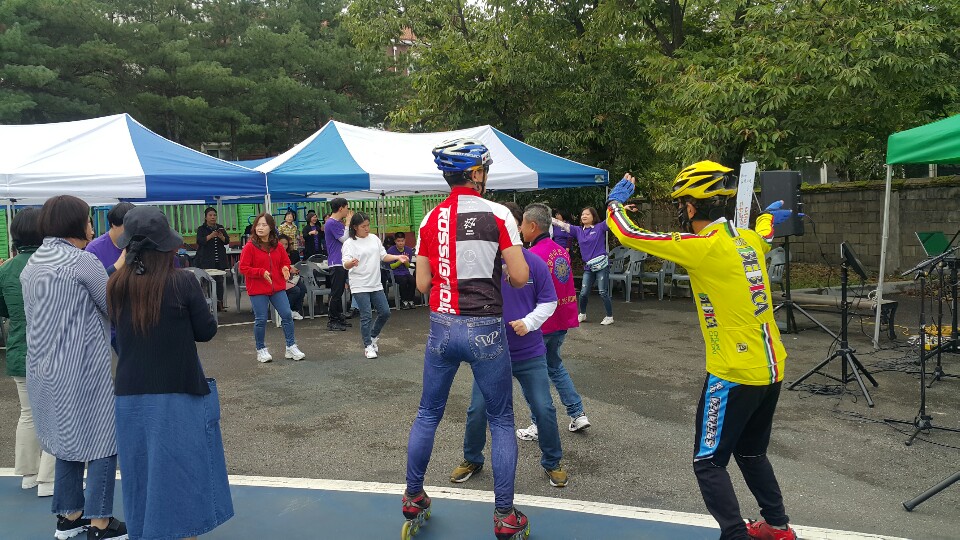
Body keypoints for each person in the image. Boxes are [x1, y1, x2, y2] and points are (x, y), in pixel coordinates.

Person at [605, 162, 797, 540]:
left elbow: (630, 234)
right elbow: (764, 235)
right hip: (771, 366)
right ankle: (778, 526)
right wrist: (768, 219)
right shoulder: (746, 240)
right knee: (751, 452)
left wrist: (614, 204)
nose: (680, 212)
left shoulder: (702, 246)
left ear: (691, 207)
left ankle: (735, 534)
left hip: (732, 371)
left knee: (708, 462)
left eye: (681, 205)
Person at [402, 138, 530, 540]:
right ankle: (505, 515)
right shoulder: (499, 214)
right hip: (485, 327)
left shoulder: (429, 219)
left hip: (442, 325)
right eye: (484, 170)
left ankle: (413, 496)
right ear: (475, 174)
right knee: (502, 420)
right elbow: (520, 276)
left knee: (428, 413)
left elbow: (422, 284)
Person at [108, 206, 233, 540]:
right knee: (183, 476)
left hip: (129, 394)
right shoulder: (182, 281)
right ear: (166, 246)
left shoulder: (116, 284)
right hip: (178, 391)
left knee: (140, 477)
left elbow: (117, 329)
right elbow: (206, 331)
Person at [20, 195, 128, 540]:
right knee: (102, 441)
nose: (91, 226)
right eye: (87, 219)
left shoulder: (33, 262)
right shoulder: (83, 261)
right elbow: (111, 305)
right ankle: (100, 522)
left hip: (43, 369)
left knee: (65, 441)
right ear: (75, 224)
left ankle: (69, 516)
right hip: (82, 368)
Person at [451, 202, 567, 489]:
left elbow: (549, 301)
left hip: (529, 353)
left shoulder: (533, 263)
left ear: (517, 229)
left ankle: (552, 462)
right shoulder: (481, 265)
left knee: (544, 408)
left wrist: (528, 322)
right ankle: (472, 458)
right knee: (477, 410)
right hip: (489, 354)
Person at [515, 203, 592, 439]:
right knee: (555, 366)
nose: (520, 228)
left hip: (540, 324)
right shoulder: (560, 251)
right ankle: (578, 413)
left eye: (522, 224)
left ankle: (538, 423)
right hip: (561, 319)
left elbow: (527, 293)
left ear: (532, 226)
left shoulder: (532, 256)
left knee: (533, 375)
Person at [0, 209, 56, 498]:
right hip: (50, 350)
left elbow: (4, 310)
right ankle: (49, 479)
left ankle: (28, 474)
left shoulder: (6, 269)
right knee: (55, 414)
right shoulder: (50, 264)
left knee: (28, 414)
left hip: (19, 349)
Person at [239, 212, 306, 363]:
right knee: (261, 319)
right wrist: (260, 272)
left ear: (271, 227)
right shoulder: (249, 247)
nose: (260, 228)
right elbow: (243, 268)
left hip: (277, 287)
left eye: (264, 225)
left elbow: (285, 261)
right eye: (258, 225)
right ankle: (261, 349)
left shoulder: (278, 246)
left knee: (287, 315)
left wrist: (285, 268)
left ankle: (291, 346)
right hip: (258, 289)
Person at [342, 213, 408, 359]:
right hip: (359, 284)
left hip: (375, 283)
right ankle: (367, 346)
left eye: (368, 225)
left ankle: (372, 337)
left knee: (385, 312)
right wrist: (351, 263)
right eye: (363, 226)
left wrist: (398, 257)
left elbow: (383, 256)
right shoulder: (349, 243)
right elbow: (345, 264)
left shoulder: (374, 239)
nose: (367, 229)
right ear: (355, 227)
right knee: (366, 315)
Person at [553, 206, 613, 325]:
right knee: (583, 293)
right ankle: (582, 314)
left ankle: (609, 316)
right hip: (588, 267)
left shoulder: (600, 227)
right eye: (582, 214)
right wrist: (541, 215)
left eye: (587, 214)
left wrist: (623, 209)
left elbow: (613, 219)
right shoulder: (578, 230)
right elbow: (560, 224)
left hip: (602, 266)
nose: (584, 216)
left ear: (593, 216)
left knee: (602, 291)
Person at [325, 198, 354, 331]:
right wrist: (347, 223)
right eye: (347, 207)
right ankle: (332, 320)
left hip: (341, 261)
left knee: (340, 291)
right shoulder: (331, 223)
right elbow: (345, 239)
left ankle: (338, 317)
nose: (348, 210)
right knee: (336, 292)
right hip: (336, 261)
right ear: (341, 208)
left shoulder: (337, 222)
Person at [195, 207, 230, 311]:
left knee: (219, 281)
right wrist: (211, 236)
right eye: (210, 215)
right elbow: (200, 241)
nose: (213, 217)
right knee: (207, 281)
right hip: (206, 260)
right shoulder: (202, 229)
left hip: (219, 260)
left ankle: (219, 303)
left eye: (214, 215)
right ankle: (208, 303)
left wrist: (221, 236)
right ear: (206, 217)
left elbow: (227, 241)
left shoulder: (220, 227)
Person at [86, 203, 135, 274]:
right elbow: (92, 280)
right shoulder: (94, 250)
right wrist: (116, 266)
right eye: (128, 227)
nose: (132, 231)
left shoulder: (140, 243)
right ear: (113, 224)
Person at [278, 235, 306, 320]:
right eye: (282, 244)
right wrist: (289, 269)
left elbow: (297, 265)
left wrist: (295, 269)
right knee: (295, 290)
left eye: (286, 244)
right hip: (280, 279)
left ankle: (295, 310)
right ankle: (286, 310)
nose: (284, 246)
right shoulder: (274, 253)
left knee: (302, 288)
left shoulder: (293, 253)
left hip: (292, 278)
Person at [386, 232, 416, 309]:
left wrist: (405, 262)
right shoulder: (391, 251)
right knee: (403, 281)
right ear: (395, 241)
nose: (400, 243)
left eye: (402, 241)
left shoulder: (408, 250)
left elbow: (408, 265)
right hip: (394, 273)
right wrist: (400, 261)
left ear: (405, 240)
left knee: (412, 280)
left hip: (405, 272)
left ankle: (410, 300)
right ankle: (404, 301)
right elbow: (391, 266)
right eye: (398, 241)